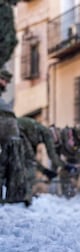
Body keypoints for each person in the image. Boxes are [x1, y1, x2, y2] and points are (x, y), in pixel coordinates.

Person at [17, 117, 66, 194]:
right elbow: (52, 156)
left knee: (26, 163)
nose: (52, 144)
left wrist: (45, 171)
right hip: (15, 131)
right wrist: (66, 166)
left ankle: (22, 194)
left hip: (15, 130)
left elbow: (32, 160)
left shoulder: (35, 135)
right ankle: (24, 195)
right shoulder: (47, 133)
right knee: (29, 170)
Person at [0, 70, 28, 204]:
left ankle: (12, 195)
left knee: (11, 163)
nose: (5, 84)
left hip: (9, 128)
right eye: (4, 80)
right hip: (7, 125)